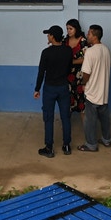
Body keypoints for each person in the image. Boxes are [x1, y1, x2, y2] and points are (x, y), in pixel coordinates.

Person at [33, 24, 74, 157]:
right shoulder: (68, 51)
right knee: (65, 117)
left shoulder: (46, 52)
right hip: (63, 87)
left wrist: (37, 89)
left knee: (48, 118)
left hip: (50, 88)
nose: (47, 36)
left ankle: (49, 148)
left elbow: (41, 73)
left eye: (49, 34)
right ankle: (67, 146)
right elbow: (69, 69)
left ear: (52, 37)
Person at [78, 24, 111, 152]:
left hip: (92, 92)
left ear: (94, 36)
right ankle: (106, 139)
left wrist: (82, 83)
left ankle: (91, 144)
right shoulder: (106, 49)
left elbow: (86, 73)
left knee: (89, 121)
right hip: (104, 91)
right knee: (105, 119)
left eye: (89, 34)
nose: (87, 36)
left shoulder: (90, 52)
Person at [64, 19, 87, 114]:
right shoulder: (65, 41)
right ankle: (66, 127)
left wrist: (72, 62)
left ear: (76, 29)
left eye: (71, 28)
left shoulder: (83, 41)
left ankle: (86, 128)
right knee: (67, 101)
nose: (68, 31)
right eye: (67, 29)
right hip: (67, 75)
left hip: (79, 76)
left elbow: (87, 59)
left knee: (82, 103)